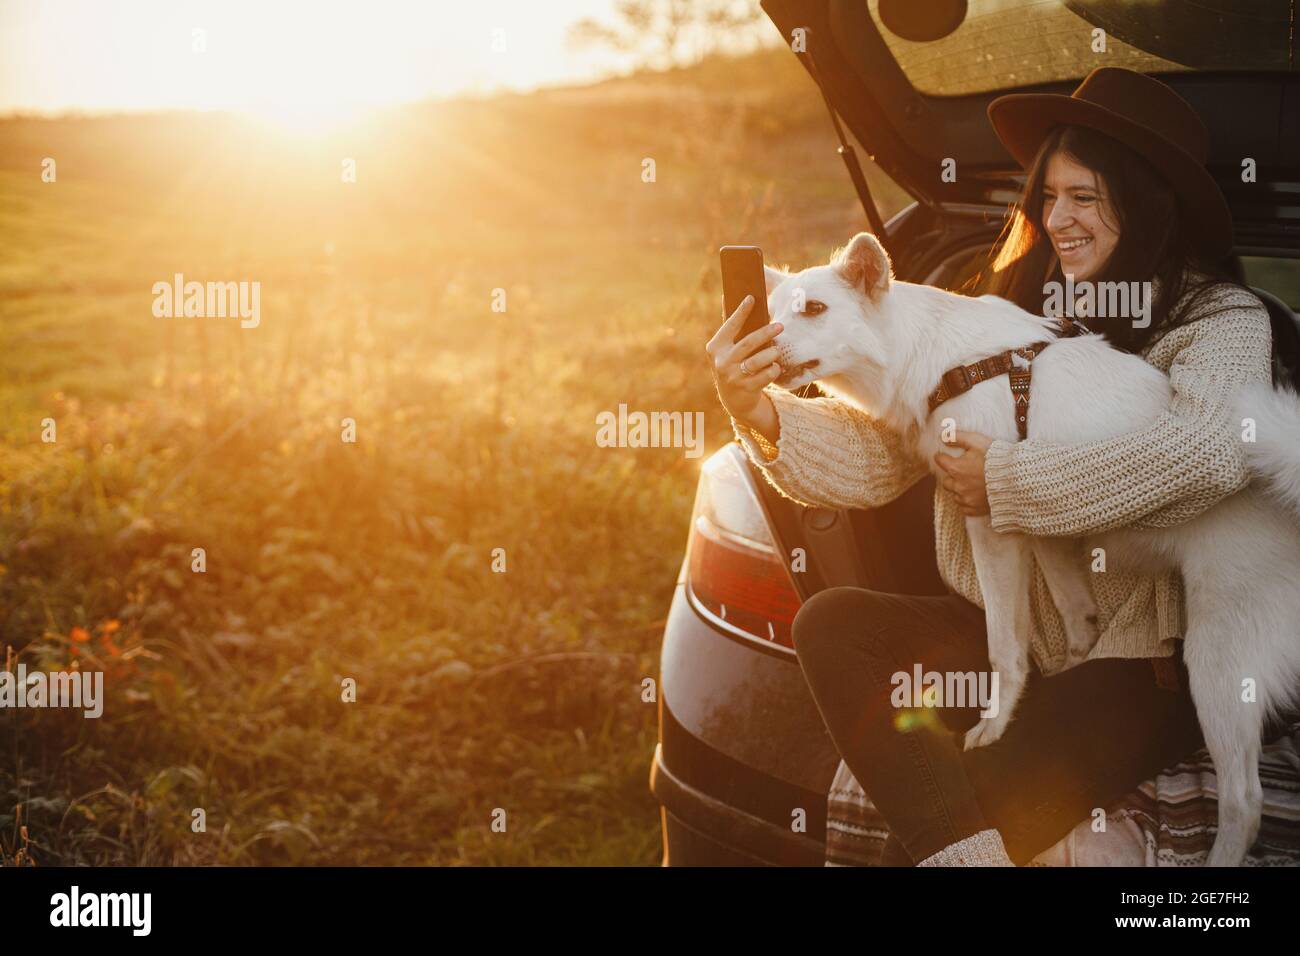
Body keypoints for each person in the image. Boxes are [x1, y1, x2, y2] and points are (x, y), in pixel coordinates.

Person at [705, 67, 1274, 865]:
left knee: (985, 795)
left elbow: (1210, 452)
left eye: (1087, 197)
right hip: (1008, 631)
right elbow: (881, 461)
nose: (1060, 219)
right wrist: (758, 410)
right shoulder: (1012, 306)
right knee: (833, 626)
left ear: (1147, 201)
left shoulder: (1222, 322)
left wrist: (1009, 480)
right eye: (1050, 197)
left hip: (1137, 658)